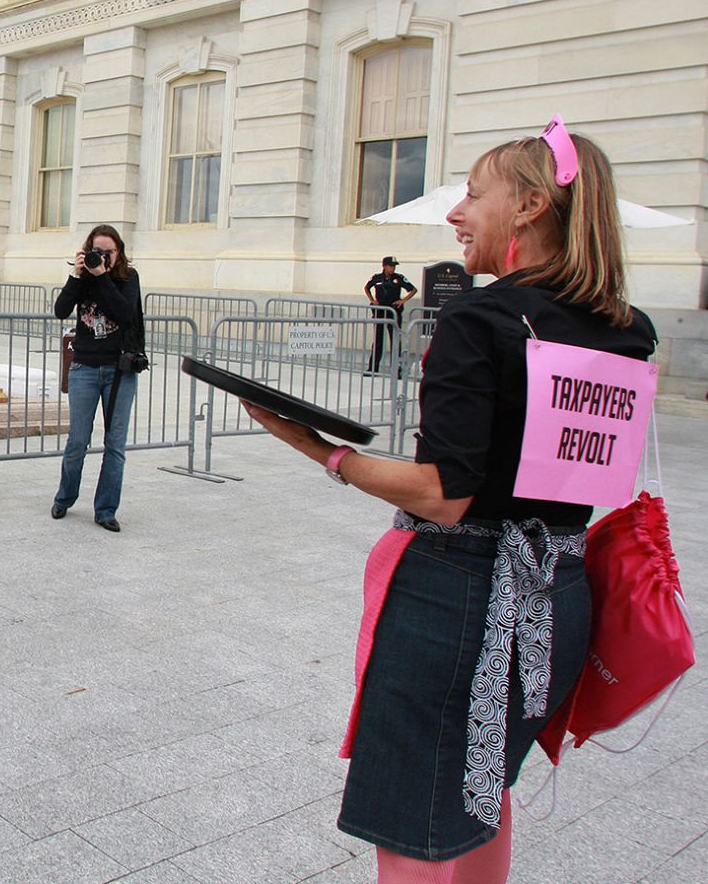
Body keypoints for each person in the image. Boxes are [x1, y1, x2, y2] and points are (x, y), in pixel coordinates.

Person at [245, 119, 654, 883]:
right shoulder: (628, 332)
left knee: (411, 810)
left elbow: (443, 495)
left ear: (530, 205)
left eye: (472, 193)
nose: (457, 214)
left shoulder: (480, 318)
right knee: (482, 792)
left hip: (459, 599)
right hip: (559, 597)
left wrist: (323, 450)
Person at [51, 225, 142, 532]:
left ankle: (105, 509)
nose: (101, 256)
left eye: (108, 252)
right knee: (78, 440)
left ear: (119, 253)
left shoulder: (129, 279)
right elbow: (61, 311)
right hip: (85, 369)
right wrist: (77, 276)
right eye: (96, 250)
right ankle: (64, 498)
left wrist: (103, 275)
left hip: (119, 372)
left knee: (115, 444)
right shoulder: (83, 279)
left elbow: (125, 313)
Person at [364, 256, 416, 375]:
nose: (393, 268)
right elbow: (367, 287)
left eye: (394, 266)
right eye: (391, 266)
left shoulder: (399, 278)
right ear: (384, 266)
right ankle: (373, 368)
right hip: (380, 312)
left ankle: (396, 369)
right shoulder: (377, 278)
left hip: (394, 312)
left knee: (395, 340)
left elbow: (413, 290)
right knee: (378, 340)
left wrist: (403, 301)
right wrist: (372, 300)